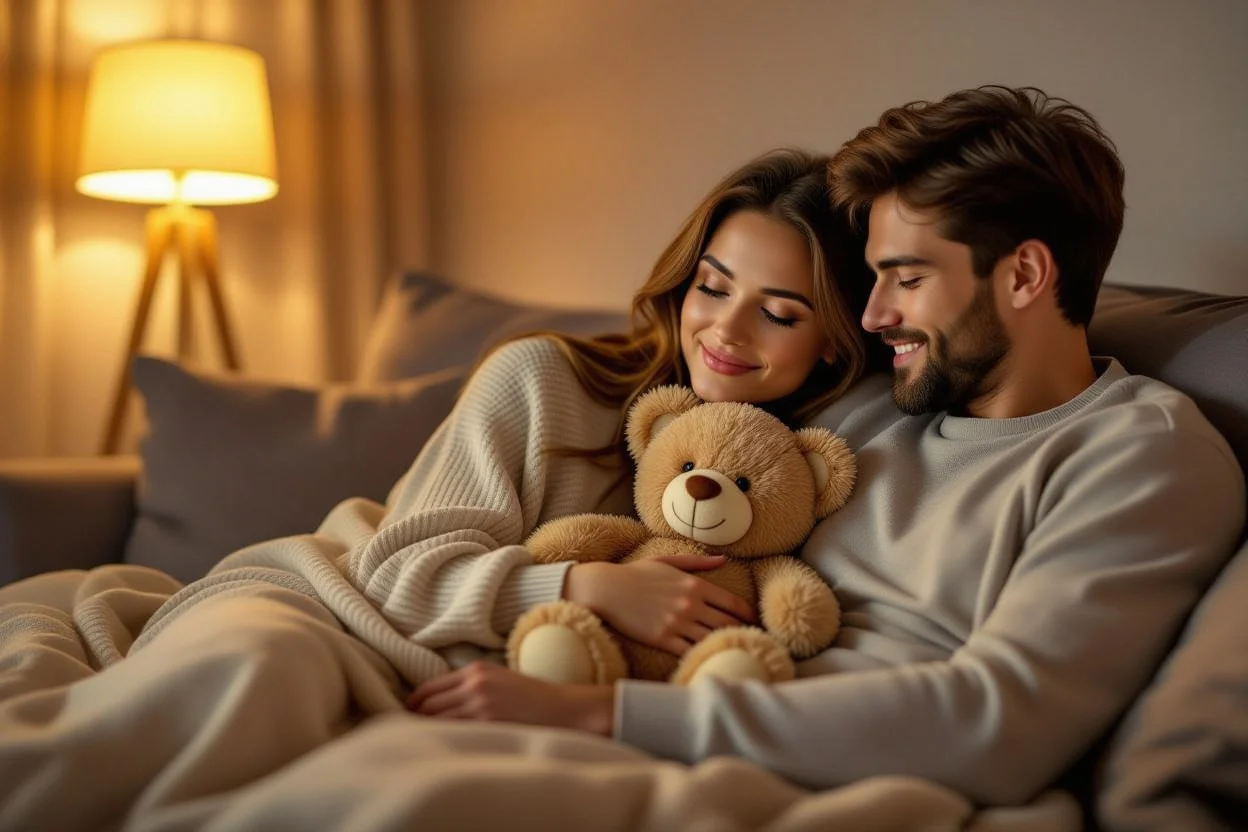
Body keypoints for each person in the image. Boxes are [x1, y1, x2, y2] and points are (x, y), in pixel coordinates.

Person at [406, 86, 1247, 808]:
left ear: (1025, 276)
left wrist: (607, 714)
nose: (875, 316)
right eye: (874, 277)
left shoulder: (1142, 456)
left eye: (907, 279)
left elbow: (1000, 724)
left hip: (810, 776)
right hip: (681, 714)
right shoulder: (873, 410)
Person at [0, 149, 884, 827]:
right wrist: (586, 583)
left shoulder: (801, 473)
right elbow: (397, 567)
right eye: (712, 287)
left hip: (463, 691)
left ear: (835, 341)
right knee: (260, 672)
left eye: (778, 311)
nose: (724, 330)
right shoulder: (546, 381)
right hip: (333, 603)